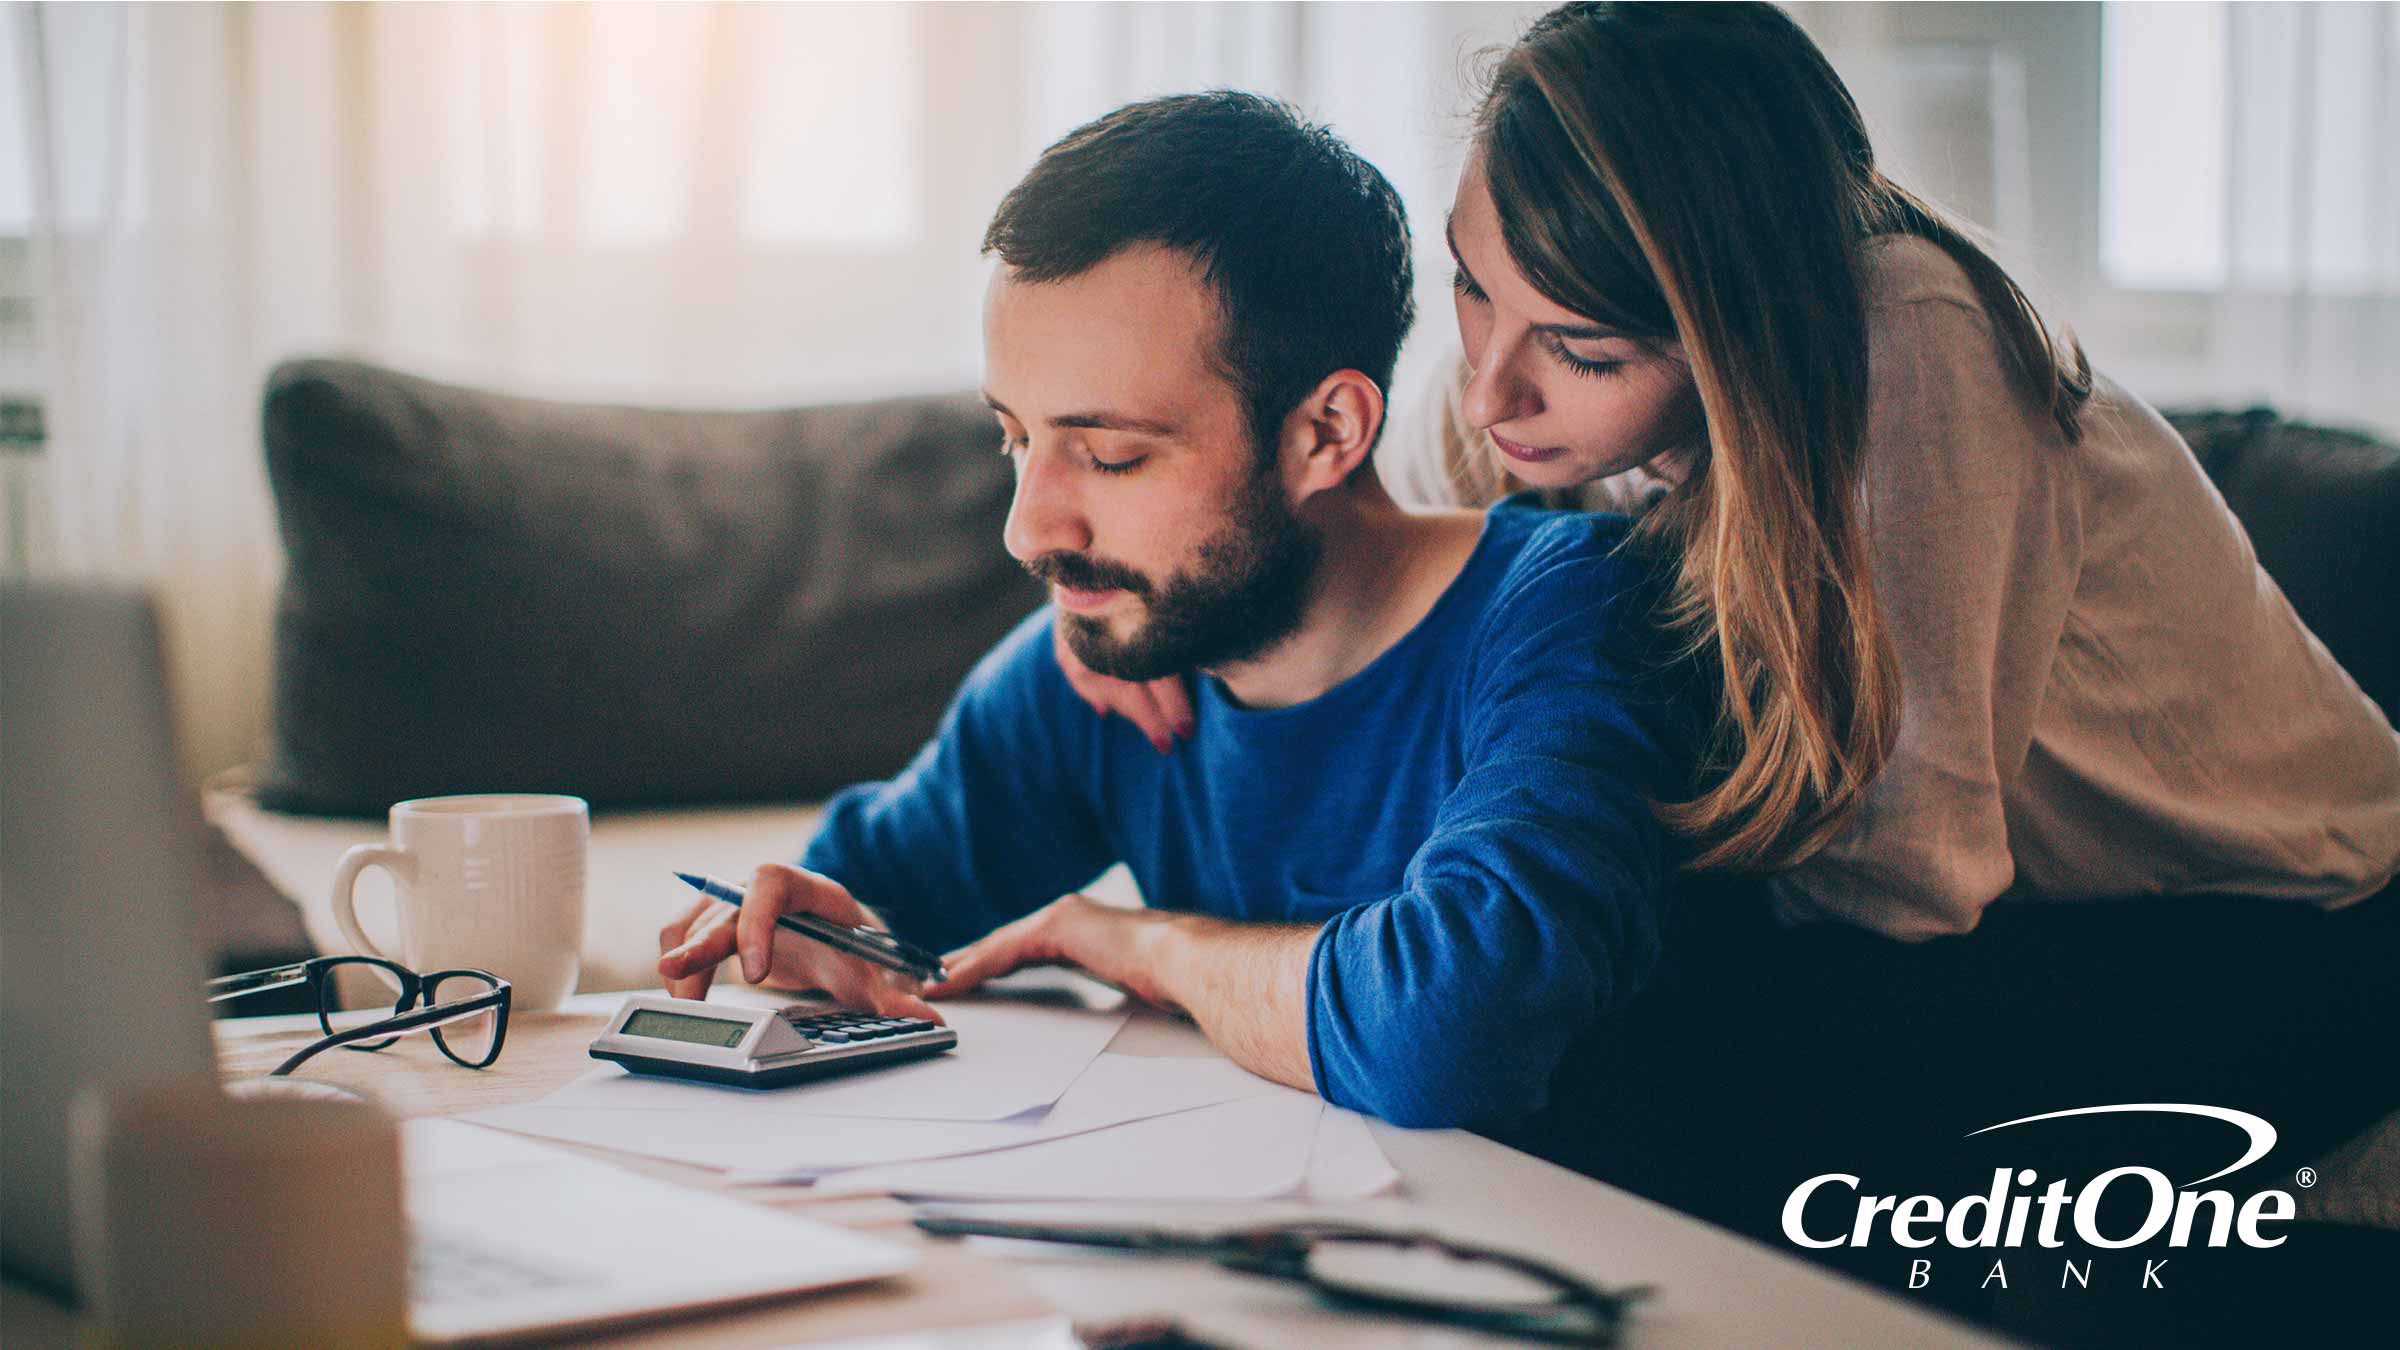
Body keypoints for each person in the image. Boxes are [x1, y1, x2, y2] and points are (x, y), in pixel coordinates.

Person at [1056, 3, 2400, 1332]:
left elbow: (1911, 874)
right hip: (1991, 903)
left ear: (1737, 329)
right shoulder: (1533, 363)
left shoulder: (1913, 347)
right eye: (1473, 286)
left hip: (2282, 909)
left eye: (1583, 351)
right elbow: (1347, 525)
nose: (1489, 393)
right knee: (1525, 1009)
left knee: (1615, 1060)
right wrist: (1125, 588)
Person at [654, 91, 1693, 1131]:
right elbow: (871, 893)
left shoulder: (1574, 612)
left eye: (1110, 456)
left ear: (1326, 433)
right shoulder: (1115, 658)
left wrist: (1147, 943)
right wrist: (808, 928)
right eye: (1016, 438)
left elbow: (1451, 1037)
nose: (1029, 530)